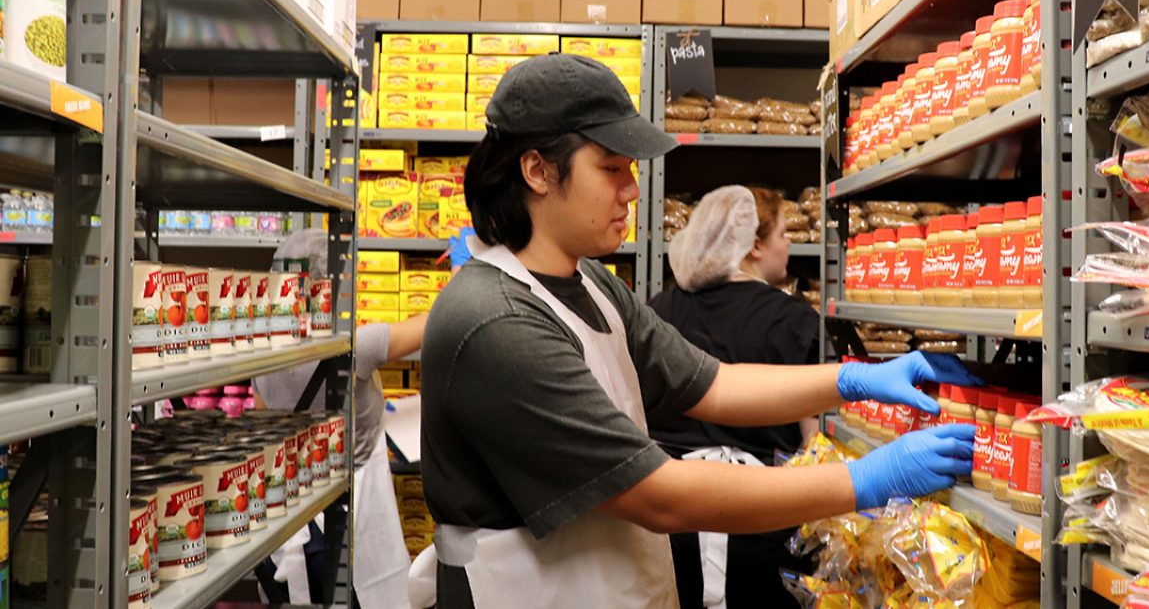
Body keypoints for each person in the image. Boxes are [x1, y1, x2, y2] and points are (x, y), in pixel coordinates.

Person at [417, 53, 980, 609]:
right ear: (537, 170)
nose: (632, 191)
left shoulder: (590, 282)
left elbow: (714, 384)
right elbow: (660, 496)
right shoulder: (497, 321)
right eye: (611, 168)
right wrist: (866, 479)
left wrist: (853, 380)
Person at [647, 184, 821, 608]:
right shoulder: (794, 320)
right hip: (763, 526)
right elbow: (816, 442)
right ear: (755, 246)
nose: (789, 244)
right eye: (783, 234)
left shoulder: (660, 310)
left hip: (671, 525)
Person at [253, 229, 427, 608]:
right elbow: (431, 325)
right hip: (353, 511)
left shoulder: (261, 353)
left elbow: (262, 422)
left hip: (292, 518)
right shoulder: (355, 346)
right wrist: (470, 261)